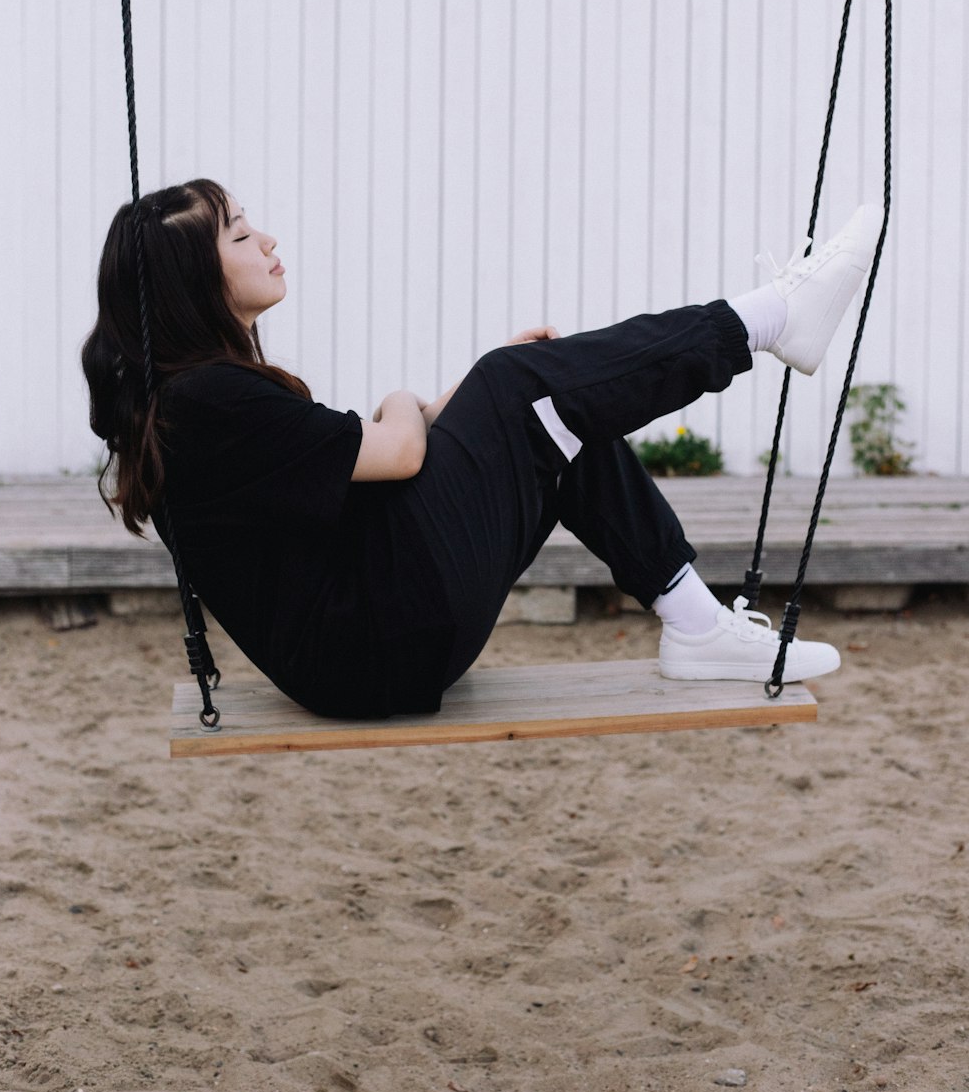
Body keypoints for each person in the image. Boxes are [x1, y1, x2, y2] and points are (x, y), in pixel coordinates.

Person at [81, 181, 882, 720]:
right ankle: (772, 317)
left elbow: (373, 462)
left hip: (376, 640)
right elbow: (395, 449)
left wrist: (459, 403)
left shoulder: (198, 402)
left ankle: (698, 626)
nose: (268, 240)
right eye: (241, 233)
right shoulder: (208, 401)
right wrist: (415, 399)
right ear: (193, 278)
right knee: (521, 380)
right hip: (380, 638)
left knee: (555, 410)